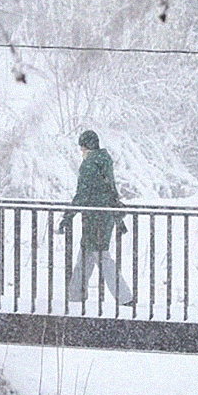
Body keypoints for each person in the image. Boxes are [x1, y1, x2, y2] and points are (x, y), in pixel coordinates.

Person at [58, 130, 134, 306]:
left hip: (94, 219)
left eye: (82, 148)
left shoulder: (90, 164)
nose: (81, 152)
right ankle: (75, 296)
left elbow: (82, 194)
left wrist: (67, 217)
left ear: (86, 147)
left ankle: (125, 298)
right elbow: (109, 191)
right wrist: (117, 218)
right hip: (104, 216)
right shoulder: (105, 161)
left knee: (101, 256)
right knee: (86, 256)